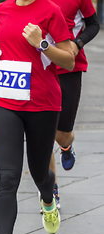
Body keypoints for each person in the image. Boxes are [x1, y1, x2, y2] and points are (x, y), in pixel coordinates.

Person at [0, 0, 74, 234]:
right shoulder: (2, 10)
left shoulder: (50, 11)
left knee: (39, 172)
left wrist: (42, 44)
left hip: (43, 104)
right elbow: (6, 45)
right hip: (5, 100)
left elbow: (69, 60)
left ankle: (48, 198)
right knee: (7, 176)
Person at [48, 0, 100, 210]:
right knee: (43, 134)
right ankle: (50, 192)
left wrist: (77, 43)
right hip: (39, 67)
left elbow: (94, 24)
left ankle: (67, 145)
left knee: (61, 134)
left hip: (69, 68)